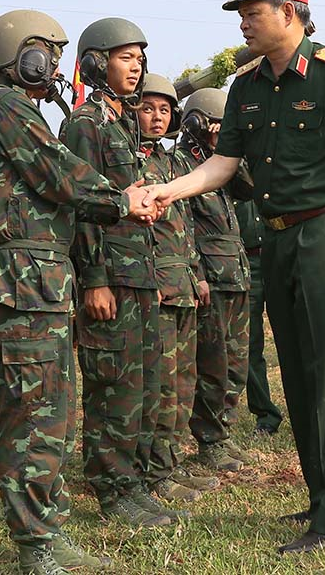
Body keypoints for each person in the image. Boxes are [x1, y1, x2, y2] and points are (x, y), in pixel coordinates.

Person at [146, 0, 325, 554]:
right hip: (277, 239)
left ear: (290, 12)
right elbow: (224, 164)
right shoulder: (246, 85)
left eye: (251, 10)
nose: (242, 21)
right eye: (241, 11)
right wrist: (166, 190)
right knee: (302, 376)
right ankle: (320, 497)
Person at [0, 10, 157, 574]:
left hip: (37, 282)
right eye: (47, 51)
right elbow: (56, 171)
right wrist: (123, 199)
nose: (53, 64)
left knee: (49, 411)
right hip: (21, 281)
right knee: (31, 413)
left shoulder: (16, 109)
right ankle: (36, 545)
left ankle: (46, 528)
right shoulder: (3, 107)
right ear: (21, 55)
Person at [62, 18, 177, 528]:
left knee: (144, 386)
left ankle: (132, 480)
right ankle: (111, 488)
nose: (136, 66)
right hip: (112, 277)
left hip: (142, 273)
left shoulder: (122, 124)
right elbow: (83, 207)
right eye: (125, 57)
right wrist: (95, 279)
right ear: (94, 63)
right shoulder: (85, 123)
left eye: (139, 58)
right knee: (113, 387)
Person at [137, 73, 215, 504]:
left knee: (184, 381)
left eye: (164, 110)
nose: (156, 116)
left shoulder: (174, 164)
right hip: (156, 287)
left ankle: (170, 461)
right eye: (148, 108)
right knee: (160, 385)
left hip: (184, 283)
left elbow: (186, 229)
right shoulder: (131, 160)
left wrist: (198, 273)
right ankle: (154, 471)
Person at [172, 88, 255, 472]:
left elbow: (250, 189)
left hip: (235, 274)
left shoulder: (221, 164)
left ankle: (224, 431)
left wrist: (234, 151)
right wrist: (197, 275)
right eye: (218, 126)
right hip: (211, 278)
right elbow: (184, 227)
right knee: (213, 364)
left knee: (237, 362)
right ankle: (208, 440)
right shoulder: (182, 166)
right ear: (196, 125)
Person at [235, 197, 284, 436]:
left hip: (280, 254)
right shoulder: (228, 167)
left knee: (295, 338)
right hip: (245, 261)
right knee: (250, 343)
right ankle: (265, 415)